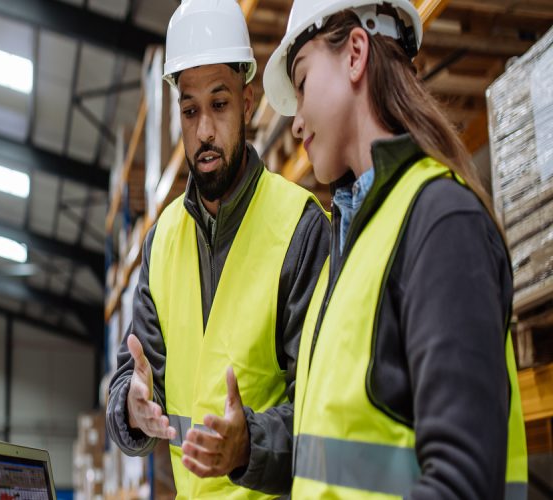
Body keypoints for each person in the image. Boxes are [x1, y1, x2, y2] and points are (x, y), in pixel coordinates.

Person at [261, 0, 528, 497]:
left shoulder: (442, 224)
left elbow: (462, 481)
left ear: (355, 53)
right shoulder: (351, 245)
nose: (295, 124)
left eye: (301, 83)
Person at [105, 0, 330, 497]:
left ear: (248, 101)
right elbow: (131, 379)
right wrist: (131, 407)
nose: (204, 130)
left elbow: (326, 411)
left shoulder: (300, 226)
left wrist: (250, 444)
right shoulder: (161, 243)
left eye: (219, 104)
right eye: (190, 110)